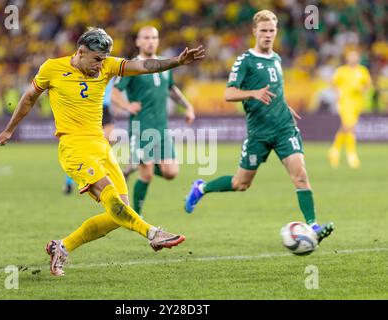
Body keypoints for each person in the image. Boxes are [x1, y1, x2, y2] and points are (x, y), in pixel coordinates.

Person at [0, 27, 205, 276]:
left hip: (100, 145)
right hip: (74, 146)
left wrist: (177, 62)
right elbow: (29, 97)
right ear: (80, 52)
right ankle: (153, 233)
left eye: (104, 60)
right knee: (113, 201)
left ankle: (62, 247)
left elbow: (144, 66)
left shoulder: (106, 66)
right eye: (96, 59)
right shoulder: (52, 68)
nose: (100, 65)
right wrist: (10, 129)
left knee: (120, 213)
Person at [184, 10, 334, 245]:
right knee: (240, 183)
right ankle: (202, 188)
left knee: (301, 176)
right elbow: (228, 93)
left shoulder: (277, 58)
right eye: (263, 30)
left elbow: (275, 89)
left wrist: (284, 105)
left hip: (284, 128)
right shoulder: (246, 60)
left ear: (276, 32)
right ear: (254, 32)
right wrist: (252, 93)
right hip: (259, 133)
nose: (267, 35)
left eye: (271, 30)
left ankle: (313, 226)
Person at [112, 26, 195, 216]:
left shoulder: (165, 65)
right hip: (141, 128)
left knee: (171, 173)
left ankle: (137, 165)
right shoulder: (132, 66)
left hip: (162, 129)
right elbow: (115, 92)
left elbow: (171, 89)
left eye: (154, 37)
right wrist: (127, 106)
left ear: (158, 41)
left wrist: (188, 106)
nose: (150, 41)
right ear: (138, 41)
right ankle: (136, 215)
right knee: (147, 174)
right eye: (146, 37)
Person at [63, 78, 119, 195]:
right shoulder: (89, 69)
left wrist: (117, 105)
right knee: (82, 148)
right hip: (90, 108)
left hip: (105, 108)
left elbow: (112, 90)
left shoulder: (110, 68)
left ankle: (99, 172)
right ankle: (69, 180)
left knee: (110, 139)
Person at [328, 49, 372, 169]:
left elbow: (368, 84)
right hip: (345, 101)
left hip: (357, 102)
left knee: (345, 127)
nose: (353, 59)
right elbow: (333, 83)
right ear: (347, 58)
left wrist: (362, 89)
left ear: (358, 58)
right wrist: (337, 93)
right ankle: (351, 154)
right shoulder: (341, 71)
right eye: (351, 56)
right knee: (350, 127)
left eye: (355, 56)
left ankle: (334, 150)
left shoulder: (362, 70)